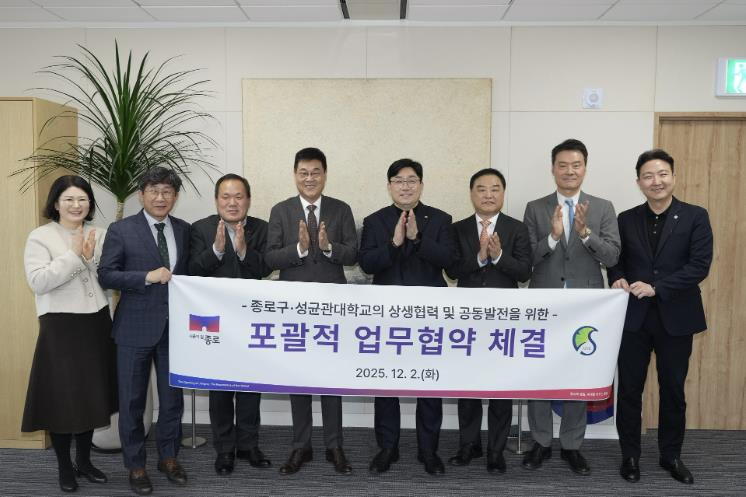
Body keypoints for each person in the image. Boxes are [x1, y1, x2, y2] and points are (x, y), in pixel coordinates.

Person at [608, 149, 713, 485]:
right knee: (629, 391)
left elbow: (699, 266)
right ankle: (630, 456)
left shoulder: (695, 216)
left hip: (676, 317)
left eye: (663, 173)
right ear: (639, 182)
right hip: (633, 319)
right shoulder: (626, 219)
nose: (656, 181)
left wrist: (657, 287)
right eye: (648, 176)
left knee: (673, 390)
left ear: (673, 177)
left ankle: (671, 455)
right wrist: (617, 277)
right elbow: (616, 260)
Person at [522, 138, 620, 476]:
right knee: (540, 373)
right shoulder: (535, 208)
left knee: (579, 373)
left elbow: (612, 256)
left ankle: (572, 445)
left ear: (585, 168)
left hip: (585, 307)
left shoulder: (603, 207)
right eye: (562, 165)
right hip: (544, 302)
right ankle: (540, 441)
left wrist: (585, 232)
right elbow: (527, 258)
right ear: (553, 169)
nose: (569, 171)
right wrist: (552, 237)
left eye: (576, 165)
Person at [359, 158, 457, 475]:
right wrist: (395, 243)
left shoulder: (440, 219)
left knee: (429, 384)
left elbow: (451, 263)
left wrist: (418, 239)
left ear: (421, 185)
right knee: (386, 385)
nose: (405, 186)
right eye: (399, 181)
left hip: (429, 318)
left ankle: (428, 451)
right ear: (389, 186)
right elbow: (367, 264)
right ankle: (388, 448)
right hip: (388, 317)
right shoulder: (374, 221)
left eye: (411, 180)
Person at [264, 147, 358, 475]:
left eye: (315, 172)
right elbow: (269, 258)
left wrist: (329, 246)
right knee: (298, 376)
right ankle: (300, 446)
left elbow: (354, 254)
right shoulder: (281, 211)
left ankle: (334, 445)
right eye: (303, 172)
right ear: (295, 175)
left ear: (325, 175)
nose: (309, 178)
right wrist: (300, 248)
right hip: (295, 306)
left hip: (332, 305)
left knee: (331, 378)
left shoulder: (341, 209)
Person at [21, 175, 118, 493]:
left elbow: (109, 279)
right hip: (60, 325)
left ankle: (85, 462)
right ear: (56, 203)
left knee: (90, 396)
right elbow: (39, 282)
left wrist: (90, 260)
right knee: (63, 399)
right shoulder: (41, 236)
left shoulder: (100, 233)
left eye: (83, 199)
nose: (77, 205)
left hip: (96, 322)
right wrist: (75, 256)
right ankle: (65, 467)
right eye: (69, 199)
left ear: (90, 203)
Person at [99, 167, 191, 496]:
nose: (160, 197)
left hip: (174, 330)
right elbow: (106, 275)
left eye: (167, 192)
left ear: (175, 197)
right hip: (133, 329)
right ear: (141, 195)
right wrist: (146, 277)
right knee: (132, 402)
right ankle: (136, 466)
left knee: (172, 401)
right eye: (154, 191)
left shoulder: (184, 230)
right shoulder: (121, 229)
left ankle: (169, 458)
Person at [446, 168, 532, 474]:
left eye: (495, 189)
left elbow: (524, 272)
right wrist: (480, 257)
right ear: (472, 194)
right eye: (481, 189)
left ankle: (496, 450)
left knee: (500, 387)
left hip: (503, 320)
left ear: (503, 193)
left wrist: (498, 257)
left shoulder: (517, 228)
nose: (488, 195)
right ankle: (468, 445)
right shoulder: (457, 229)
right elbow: (452, 270)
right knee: (468, 385)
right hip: (468, 319)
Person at [189, 173, 272, 475]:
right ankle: (224, 449)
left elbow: (265, 267)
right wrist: (216, 251)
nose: (232, 202)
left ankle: (249, 445)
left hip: (251, 321)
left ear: (248, 200)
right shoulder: (200, 229)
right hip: (215, 323)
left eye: (239, 196)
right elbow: (191, 270)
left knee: (250, 386)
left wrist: (243, 250)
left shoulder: (262, 228)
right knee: (220, 389)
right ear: (216, 200)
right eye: (226, 196)